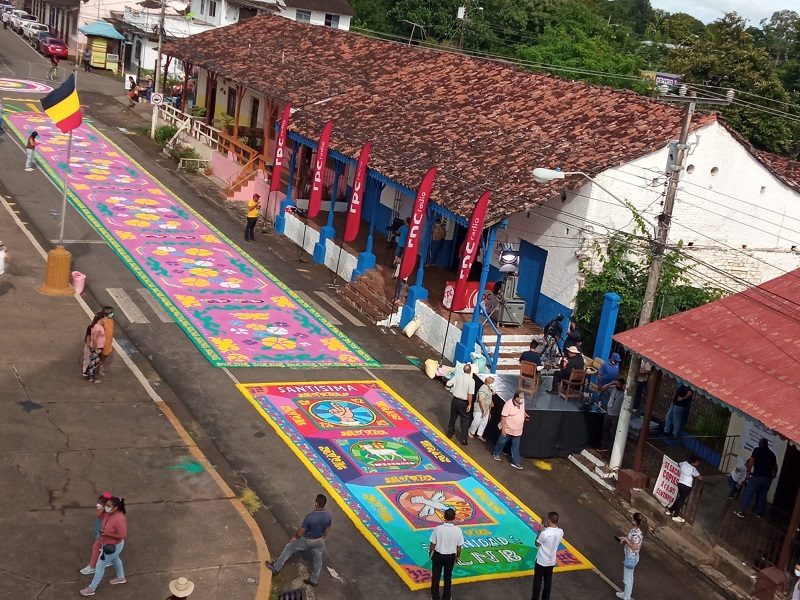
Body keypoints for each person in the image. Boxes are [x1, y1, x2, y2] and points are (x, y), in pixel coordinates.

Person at [267, 494, 331, 587]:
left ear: (316, 503)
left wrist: (295, 537)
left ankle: (276, 567)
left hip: (307, 540)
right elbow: (326, 532)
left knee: (289, 547)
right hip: (320, 541)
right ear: (324, 504)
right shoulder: (328, 516)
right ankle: (314, 580)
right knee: (318, 560)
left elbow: (301, 531)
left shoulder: (310, 517)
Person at [80, 496, 127, 596]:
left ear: (115, 508)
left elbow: (122, 535)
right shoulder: (108, 513)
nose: (106, 507)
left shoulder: (119, 519)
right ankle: (121, 577)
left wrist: (106, 534)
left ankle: (91, 589)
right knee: (115, 559)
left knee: (100, 565)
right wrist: (101, 509)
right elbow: (98, 515)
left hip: (114, 546)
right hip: (107, 543)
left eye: (109, 506)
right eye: (106, 505)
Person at [735, 438, 778, 518]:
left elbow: (751, 461)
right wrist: (774, 475)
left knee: (748, 493)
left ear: (760, 444)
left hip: (758, 476)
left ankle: (741, 511)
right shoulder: (772, 454)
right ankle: (759, 513)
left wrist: (748, 472)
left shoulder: (757, 450)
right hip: (768, 479)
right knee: (762, 494)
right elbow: (775, 467)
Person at [428, 507, 463, 600]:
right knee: (448, 577)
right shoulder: (458, 530)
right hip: (450, 557)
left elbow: (432, 543)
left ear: (444, 517)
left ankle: (435, 597)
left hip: (438, 555)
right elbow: (459, 547)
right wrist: (458, 557)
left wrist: (430, 553)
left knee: (436, 577)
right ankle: (447, 597)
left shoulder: (438, 529)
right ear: (454, 517)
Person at [492, 391, 529, 470]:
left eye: (523, 398)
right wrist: (503, 430)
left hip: (518, 430)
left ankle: (516, 462)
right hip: (508, 428)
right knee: (502, 442)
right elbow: (503, 417)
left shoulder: (522, 402)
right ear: (516, 398)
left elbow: (522, 410)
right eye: (521, 398)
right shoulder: (508, 404)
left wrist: (524, 414)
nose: (522, 400)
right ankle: (496, 453)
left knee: (516, 446)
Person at [531, 511, 563, 600]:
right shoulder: (560, 532)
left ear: (548, 520)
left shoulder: (544, 533)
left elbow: (536, 544)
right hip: (551, 561)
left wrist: (539, 531)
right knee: (548, 582)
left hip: (541, 561)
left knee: (537, 582)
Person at [80, 492, 114, 575]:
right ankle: (109, 560)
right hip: (102, 533)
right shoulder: (102, 512)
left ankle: (92, 566)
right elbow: (98, 514)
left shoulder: (108, 514)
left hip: (104, 534)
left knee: (96, 547)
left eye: (100, 503)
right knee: (105, 548)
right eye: (98, 502)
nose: (98, 505)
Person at [616, 512, 646, 600]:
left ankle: (626, 597)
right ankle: (626, 594)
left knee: (627, 579)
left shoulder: (636, 533)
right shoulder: (636, 530)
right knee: (630, 578)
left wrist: (625, 539)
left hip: (631, 557)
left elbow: (634, 547)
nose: (632, 520)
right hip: (631, 556)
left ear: (636, 521)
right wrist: (625, 538)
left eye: (633, 519)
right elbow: (632, 541)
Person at [445, 364, 475, 445]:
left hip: (455, 400)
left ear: (463, 370)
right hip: (464, 402)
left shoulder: (457, 376)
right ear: (470, 371)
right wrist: (469, 404)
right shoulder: (471, 381)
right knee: (465, 420)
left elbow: (448, 383)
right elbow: (470, 394)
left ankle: (450, 433)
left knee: (453, 417)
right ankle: (464, 438)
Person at [666, 456, 702, 523]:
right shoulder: (693, 469)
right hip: (687, 486)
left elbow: (678, 464)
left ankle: (670, 510)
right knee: (681, 501)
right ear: (693, 462)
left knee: (679, 499)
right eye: (697, 463)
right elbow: (700, 478)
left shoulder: (684, 463)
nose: (698, 464)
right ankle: (675, 516)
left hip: (680, 484)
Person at [601, 377, 625, 450]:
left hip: (616, 415)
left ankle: (611, 447)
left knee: (613, 432)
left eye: (619, 384)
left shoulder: (624, 393)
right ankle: (604, 444)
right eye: (616, 384)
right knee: (605, 430)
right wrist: (611, 383)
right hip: (608, 413)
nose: (617, 385)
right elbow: (602, 389)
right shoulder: (613, 388)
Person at [468, 376, 494, 441]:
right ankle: (471, 431)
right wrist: (484, 409)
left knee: (484, 422)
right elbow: (481, 399)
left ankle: (480, 434)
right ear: (489, 383)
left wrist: (488, 411)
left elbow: (489, 399)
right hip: (480, 408)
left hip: (486, 408)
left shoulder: (489, 389)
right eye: (492, 383)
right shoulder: (483, 388)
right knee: (477, 421)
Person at [82, 312, 105, 383]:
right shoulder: (98, 327)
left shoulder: (95, 325)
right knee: (94, 363)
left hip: (96, 347)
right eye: (103, 317)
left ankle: (89, 375)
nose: (104, 319)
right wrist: (96, 349)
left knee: (94, 362)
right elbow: (94, 339)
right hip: (97, 347)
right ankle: (91, 377)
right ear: (101, 318)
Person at [98, 307, 115, 375]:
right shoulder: (102, 321)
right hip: (103, 342)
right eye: (111, 313)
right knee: (101, 356)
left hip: (108, 342)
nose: (113, 314)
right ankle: (99, 370)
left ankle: (101, 366)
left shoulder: (111, 320)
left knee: (105, 355)